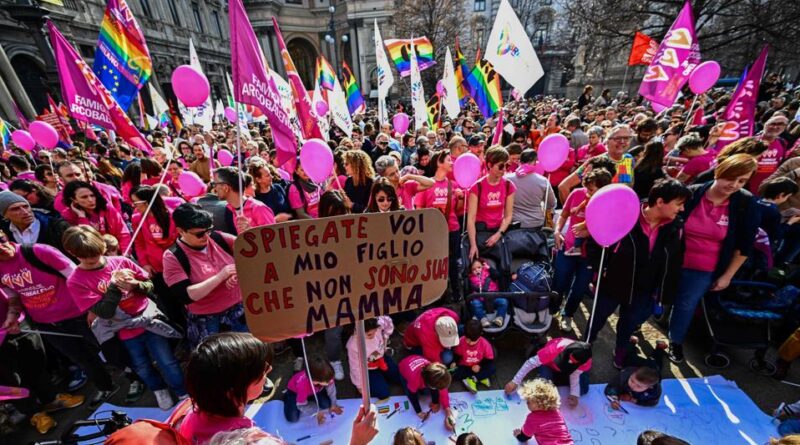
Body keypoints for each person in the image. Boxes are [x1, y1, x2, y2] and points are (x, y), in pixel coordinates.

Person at [63, 225, 186, 411]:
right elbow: (104, 312)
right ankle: (159, 389)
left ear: (102, 245)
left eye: (96, 254)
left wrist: (135, 285)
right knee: (141, 365)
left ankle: (182, 392)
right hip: (122, 331)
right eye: (86, 258)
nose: (94, 260)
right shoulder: (75, 281)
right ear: (72, 253)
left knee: (167, 360)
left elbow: (149, 286)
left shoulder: (120, 261)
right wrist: (114, 287)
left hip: (148, 320)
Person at [584, 179, 690, 367]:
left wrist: (662, 290)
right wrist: (599, 272)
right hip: (614, 281)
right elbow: (595, 243)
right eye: (678, 204)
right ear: (660, 202)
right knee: (598, 316)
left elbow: (675, 260)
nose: (681, 209)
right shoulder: (626, 215)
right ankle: (583, 348)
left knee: (629, 323)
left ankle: (621, 351)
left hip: (645, 287)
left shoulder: (676, 227)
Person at [668, 154, 760, 363]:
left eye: (742, 180)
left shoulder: (745, 203)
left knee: (685, 304)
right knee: (658, 295)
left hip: (704, 268)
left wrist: (728, 275)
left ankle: (675, 341)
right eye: (731, 177)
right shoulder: (692, 193)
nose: (734, 184)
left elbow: (744, 246)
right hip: (672, 261)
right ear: (720, 171)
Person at [162, 203, 248, 348]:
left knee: (249, 354)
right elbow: (186, 295)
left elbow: (251, 254)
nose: (206, 236)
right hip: (208, 322)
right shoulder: (173, 256)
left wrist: (248, 233)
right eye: (199, 234)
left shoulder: (218, 238)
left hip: (238, 314)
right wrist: (220, 276)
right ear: (180, 231)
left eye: (208, 230)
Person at [177, 333, 272, 444]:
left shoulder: (188, 409)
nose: (270, 368)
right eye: (261, 371)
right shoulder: (246, 441)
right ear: (231, 393)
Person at [555, 168, 612, 332]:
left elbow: (608, 231)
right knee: (559, 281)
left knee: (579, 287)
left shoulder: (609, 203)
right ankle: (552, 309)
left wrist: (589, 231)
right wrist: (557, 232)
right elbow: (565, 214)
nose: (587, 192)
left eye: (592, 190)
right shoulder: (577, 194)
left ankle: (568, 314)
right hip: (567, 246)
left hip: (590, 254)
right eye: (586, 187)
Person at [414, 151, 463, 298]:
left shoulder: (453, 185)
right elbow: (419, 209)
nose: (452, 163)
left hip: (452, 229)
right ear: (439, 163)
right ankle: (435, 296)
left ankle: (455, 293)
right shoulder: (426, 184)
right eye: (448, 160)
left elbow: (458, 210)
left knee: (453, 263)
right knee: (433, 264)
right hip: (432, 233)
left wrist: (460, 198)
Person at [505, 338, 591, 408]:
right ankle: (555, 380)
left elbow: (575, 375)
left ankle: (557, 381)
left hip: (568, 372)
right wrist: (515, 381)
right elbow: (531, 363)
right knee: (542, 391)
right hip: (549, 365)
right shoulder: (554, 349)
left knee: (582, 390)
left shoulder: (585, 362)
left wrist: (574, 394)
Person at [558, 124, 635, 202]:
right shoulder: (596, 162)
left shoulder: (629, 159)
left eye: (626, 138)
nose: (622, 142)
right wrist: (569, 212)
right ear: (607, 141)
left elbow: (630, 187)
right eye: (617, 138)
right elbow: (563, 186)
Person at [467, 146, 516, 260]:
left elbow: (508, 215)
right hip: (480, 234)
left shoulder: (509, 185)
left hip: (499, 232)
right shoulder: (477, 187)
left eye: (507, 165)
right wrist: (473, 245)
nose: (504, 169)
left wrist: (498, 234)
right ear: (489, 165)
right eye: (500, 166)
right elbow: (471, 219)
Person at [61, 180, 132, 254]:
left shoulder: (108, 209)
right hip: (94, 257)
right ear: (74, 200)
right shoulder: (69, 217)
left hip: (120, 254)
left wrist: (125, 253)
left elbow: (123, 234)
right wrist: (82, 218)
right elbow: (85, 242)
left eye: (92, 195)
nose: (90, 200)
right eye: (84, 197)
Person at [346, 316, 400, 400]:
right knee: (383, 393)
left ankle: (382, 376)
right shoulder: (353, 345)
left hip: (381, 358)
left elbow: (388, 321)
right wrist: (360, 386)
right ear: (358, 331)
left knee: (399, 377)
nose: (374, 335)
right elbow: (355, 367)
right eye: (369, 334)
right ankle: (379, 378)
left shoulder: (377, 324)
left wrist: (386, 337)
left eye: (375, 331)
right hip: (368, 368)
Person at [0, 191, 71, 254]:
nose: (25, 212)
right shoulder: (4, 232)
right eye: (15, 209)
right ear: (4, 215)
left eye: (26, 206)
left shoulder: (57, 227)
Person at [398, 355, 455, 432]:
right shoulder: (414, 380)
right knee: (416, 393)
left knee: (428, 391)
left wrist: (446, 409)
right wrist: (418, 412)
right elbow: (411, 395)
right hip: (403, 369)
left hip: (415, 361)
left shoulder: (435, 371)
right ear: (428, 384)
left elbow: (442, 389)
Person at [282, 355, 343, 423]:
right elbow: (301, 405)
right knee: (292, 418)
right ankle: (287, 396)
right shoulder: (303, 385)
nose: (330, 381)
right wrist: (316, 412)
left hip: (314, 390)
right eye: (327, 381)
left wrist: (333, 405)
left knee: (326, 404)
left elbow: (332, 391)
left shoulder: (327, 376)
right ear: (314, 380)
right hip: (295, 392)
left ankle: (308, 398)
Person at [213, 167, 275, 233]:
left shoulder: (259, 208)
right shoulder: (231, 210)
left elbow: (274, 239)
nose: (214, 189)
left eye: (215, 184)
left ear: (225, 187)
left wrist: (251, 230)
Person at [508, 149, 556, 230]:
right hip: (535, 223)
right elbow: (551, 203)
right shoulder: (543, 181)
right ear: (534, 162)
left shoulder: (507, 179)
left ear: (520, 161)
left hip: (513, 222)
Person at [514, 379, 573, 444]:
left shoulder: (533, 418)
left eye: (529, 401)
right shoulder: (557, 413)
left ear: (540, 404)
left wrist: (519, 435)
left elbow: (524, 437)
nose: (526, 403)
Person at [452, 319, 496, 393]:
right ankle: (481, 377)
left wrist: (480, 366)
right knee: (455, 373)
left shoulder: (484, 343)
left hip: (478, 366)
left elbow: (489, 359)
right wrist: (454, 362)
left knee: (492, 368)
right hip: (465, 366)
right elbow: (457, 355)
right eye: (467, 339)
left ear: (479, 336)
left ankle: (473, 379)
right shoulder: (461, 341)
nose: (469, 342)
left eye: (472, 341)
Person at [751, 115, 790, 192]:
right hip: (747, 186)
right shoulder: (751, 141)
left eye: (780, 124)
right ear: (765, 124)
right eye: (772, 123)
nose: (775, 127)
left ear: (785, 128)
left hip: (767, 187)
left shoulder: (783, 143)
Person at [467, 258, 507, 327]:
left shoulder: (489, 273)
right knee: (475, 304)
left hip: (493, 298)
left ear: (482, 267)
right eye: (474, 269)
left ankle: (499, 317)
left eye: (479, 267)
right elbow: (471, 289)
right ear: (471, 271)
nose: (477, 270)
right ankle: (483, 319)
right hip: (480, 300)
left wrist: (489, 268)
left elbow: (497, 275)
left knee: (504, 301)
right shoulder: (471, 279)